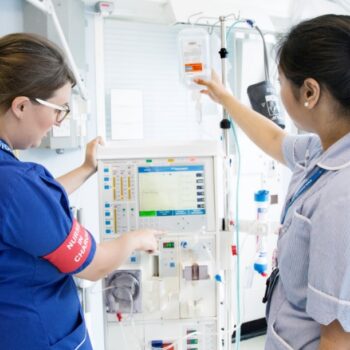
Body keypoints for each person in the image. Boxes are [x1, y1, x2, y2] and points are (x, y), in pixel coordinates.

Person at [195, 14, 350, 350]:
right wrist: (227, 100)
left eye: (280, 82)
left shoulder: (342, 197)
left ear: (310, 91)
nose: (278, 92)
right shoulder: (322, 149)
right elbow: (274, 140)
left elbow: (338, 338)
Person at [0, 33, 160, 349]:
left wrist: (86, 169)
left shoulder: (14, 183)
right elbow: (95, 266)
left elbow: (24, 215)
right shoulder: (16, 184)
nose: (59, 122)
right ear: (21, 105)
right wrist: (135, 238)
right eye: (59, 109)